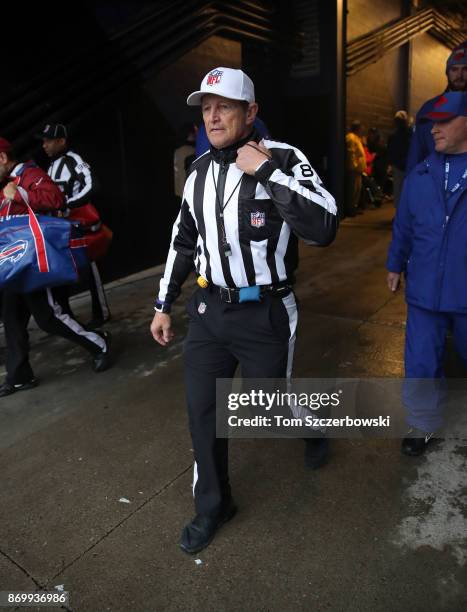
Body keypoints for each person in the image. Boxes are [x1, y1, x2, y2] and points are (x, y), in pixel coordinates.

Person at [150, 66, 338, 554]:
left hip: (266, 314)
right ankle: (213, 506)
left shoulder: (284, 158)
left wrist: (268, 172)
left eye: (224, 107)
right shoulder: (197, 173)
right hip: (211, 313)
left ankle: (312, 426)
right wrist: (163, 304)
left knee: (266, 407)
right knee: (203, 414)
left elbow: (323, 226)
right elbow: (183, 241)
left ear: (250, 112)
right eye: (206, 108)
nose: (212, 117)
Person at [386, 91, 467, 456]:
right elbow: (403, 226)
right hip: (424, 291)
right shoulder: (420, 175)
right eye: (433, 122)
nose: (435, 129)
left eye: (445, 120)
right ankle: (422, 424)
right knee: (421, 360)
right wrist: (394, 263)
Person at [0, 137, 111, 397]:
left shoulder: (29, 174)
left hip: (34, 263)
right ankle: (19, 376)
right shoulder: (6, 185)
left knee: (49, 317)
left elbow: (56, 199)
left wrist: (21, 194)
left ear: (3, 158)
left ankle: (100, 343)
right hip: (15, 263)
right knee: (12, 318)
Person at [37, 123, 111, 328]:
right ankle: (66, 313)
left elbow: (93, 185)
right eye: (43, 141)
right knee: (63, 269)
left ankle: (101, 312)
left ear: (61, 141)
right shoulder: (51, 165)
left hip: (80, 226)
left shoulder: (73, 160)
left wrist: (69, 204)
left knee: (90, 265)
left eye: (48, 141)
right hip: (61, 229)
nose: (44, 145)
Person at [406, 41, 467, 172]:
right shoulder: (429, 109)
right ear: (447, 72)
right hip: (435, 184)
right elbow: (416, 153)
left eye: (465, 69)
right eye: (454, 69)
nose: (459, 75)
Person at [387, 110, 412, 208]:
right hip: (407, 166)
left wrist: (391, 163)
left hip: (400, 166)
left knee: (399, 190)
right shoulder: (411, 134)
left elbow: (390, 151)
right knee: (406, 190)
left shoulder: (393, 136)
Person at [345, 120, 366, 217]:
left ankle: (354, 207)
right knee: (353, 189)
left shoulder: (357, 138)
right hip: (354, 169)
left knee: (357, 189)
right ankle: (350, 208)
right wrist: (353, 166)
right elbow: (351, 153)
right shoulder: (351, 138)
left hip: (358, 169)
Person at [174, 123, 197, 201]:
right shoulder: (190, 151)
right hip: (187, 192)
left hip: (179, 192)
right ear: (189, 135)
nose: (195, 135)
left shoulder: (177, 151)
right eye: (193, 133)